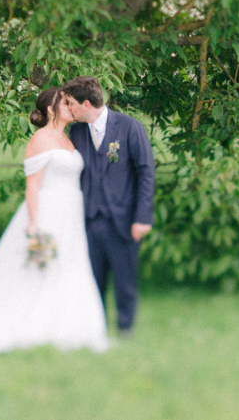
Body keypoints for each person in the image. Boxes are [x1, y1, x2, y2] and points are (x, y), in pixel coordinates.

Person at [0, 87, 109, 353]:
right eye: (65, 103)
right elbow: (33, 187)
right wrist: (34, 225)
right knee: (40, 266)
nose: (71, 108)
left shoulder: (70, 138)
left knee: (71, 263)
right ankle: (27, 324)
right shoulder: (40, 139)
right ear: (51, 109)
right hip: (48, 211)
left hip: (72, 211)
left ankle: (70, 325)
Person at [63, 75, 155, 336]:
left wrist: (142, 217)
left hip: (124, 219)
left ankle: (125, 329)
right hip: (90, 218)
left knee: (125, 280)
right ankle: (96, 330)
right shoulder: (77, 131)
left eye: (71, 104)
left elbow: (145, 173)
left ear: (85, 104)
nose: (68, 109)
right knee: (92, 280)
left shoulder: (129, 127)